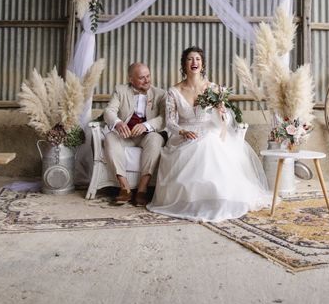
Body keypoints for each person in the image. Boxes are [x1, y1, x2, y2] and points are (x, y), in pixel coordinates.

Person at [147, 46, 271, 222]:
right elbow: (170, 122)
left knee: (209, 141)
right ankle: (193, 200)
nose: (194, 62)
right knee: (200, 143)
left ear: (202, 64)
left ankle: (219, 196)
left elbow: (226, 121)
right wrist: (182, 131)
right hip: (183, 133)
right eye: (190, 59)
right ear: (184, 65)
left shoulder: (213, 88)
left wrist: (222, 112)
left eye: (197, 59)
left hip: (210, 130)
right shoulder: (173, 92)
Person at [102, 62, 166, 206]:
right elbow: (109, 111)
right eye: (142, 78)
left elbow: (163, 118)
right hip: (125, 135)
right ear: (131, 79)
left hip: (146, 135)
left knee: (156, 139)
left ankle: (142, 190)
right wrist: (118, 123)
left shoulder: (160, 94)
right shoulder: (120, 90)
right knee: (110, 137)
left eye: (148, 76)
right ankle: (125, 189)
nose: (147, 80)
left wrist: (146, 126)